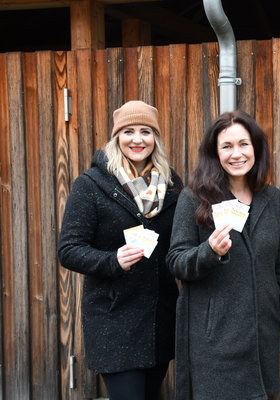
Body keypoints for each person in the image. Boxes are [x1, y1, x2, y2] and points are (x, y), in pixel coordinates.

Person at [167, 110, 280, 400]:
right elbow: (176, 260)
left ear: (255, 147)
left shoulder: (272, 199)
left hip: (262, 335)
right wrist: (209, 252)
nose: (236, 154)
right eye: (226, 146)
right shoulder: (194, 198)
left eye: (244, 144)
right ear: (214, 154)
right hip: (215, 338)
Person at [58, 100, 183, 400]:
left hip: (158, 319)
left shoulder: (172, 185)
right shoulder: (92, 185)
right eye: (128, 131)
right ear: (117, 137)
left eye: (146, 131)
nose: (137, 139)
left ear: (155, 138)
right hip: (114, 319)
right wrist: (113, 260)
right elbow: (69, 249)